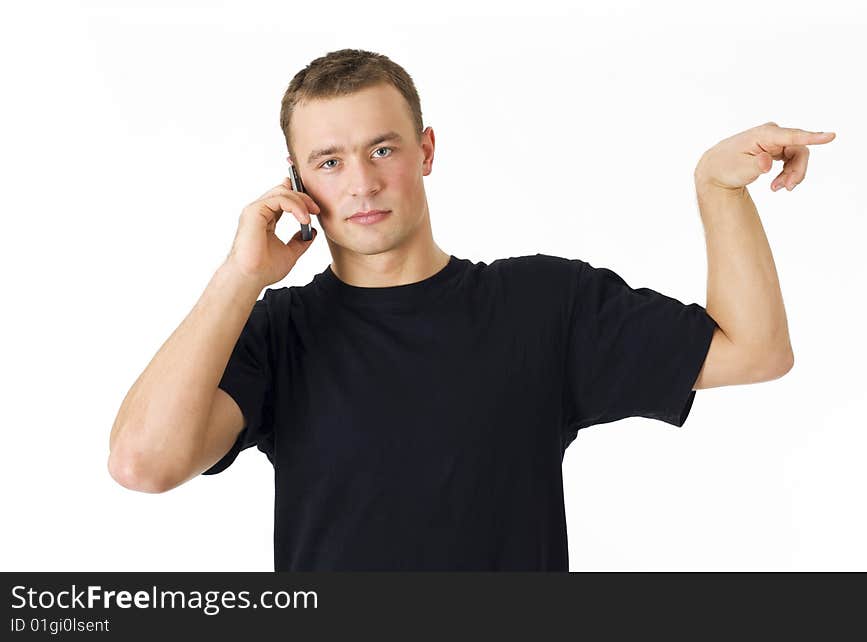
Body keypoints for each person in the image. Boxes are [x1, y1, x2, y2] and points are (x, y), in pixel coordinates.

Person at [108, 48, 796, 571]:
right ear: (295, 181)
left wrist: (718, 190)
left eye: (383, 149)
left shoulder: (543, 307)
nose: (364, 183)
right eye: (330, 163)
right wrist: (240, 277)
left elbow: (756, 350)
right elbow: (142, 464)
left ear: (425, 150)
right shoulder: (279, 335)